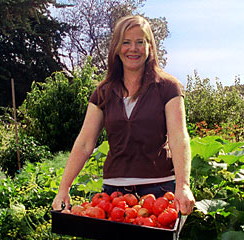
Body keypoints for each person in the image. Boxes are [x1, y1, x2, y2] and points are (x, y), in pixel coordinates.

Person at [52, 15, 195, 215]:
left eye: (140, 42)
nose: (133, 49)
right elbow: (84, 143)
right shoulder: (103, 92)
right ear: (117, 48)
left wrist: (183, 185)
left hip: (159, 191)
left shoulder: (168, 87)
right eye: (126, 42)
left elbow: (179, 138)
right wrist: (63, 188)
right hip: (113, 194)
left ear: (150, 47)